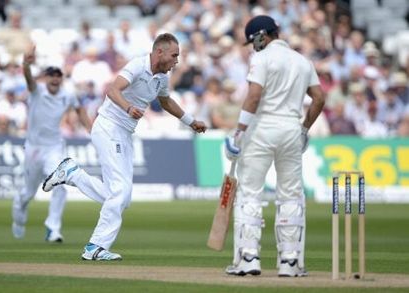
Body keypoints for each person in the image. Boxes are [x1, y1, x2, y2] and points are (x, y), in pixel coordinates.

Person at [42, 33, 207, 260]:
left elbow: (166, 101)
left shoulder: (162, 77)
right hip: (109, 127)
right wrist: (129, 108)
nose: (176, 61)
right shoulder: (138, 65)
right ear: (159, 52)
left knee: (121, 196)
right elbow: (112, 90)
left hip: (124, 133)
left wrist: (191, 121)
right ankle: (95, 247)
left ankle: (73, 174)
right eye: (174, 55)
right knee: (119, 193)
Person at [224, 15, 325, 277]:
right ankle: (289, 262)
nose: (252, 47)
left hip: (261, 130)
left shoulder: (261, 58)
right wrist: (304, 129)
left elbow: (254, 96)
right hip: (291, 130)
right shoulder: (304, 61)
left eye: (253, 41)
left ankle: (249, 258)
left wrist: (239, 132)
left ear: (261, 36)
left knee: (250, 193)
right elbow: (319, 99)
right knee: (290, 194)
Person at [11, 45, 92, 243]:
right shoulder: (37, 92)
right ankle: (19, 216)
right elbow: (29, 81)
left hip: (55, 147)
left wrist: (92, 130)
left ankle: (52, 228)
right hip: (34, 149)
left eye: (58, 75)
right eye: (52, 75)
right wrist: (26, 65)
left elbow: (80, 110)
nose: (55, 78)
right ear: (46, 78)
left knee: (60, 186)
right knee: (28, 193)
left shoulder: (67, 95)